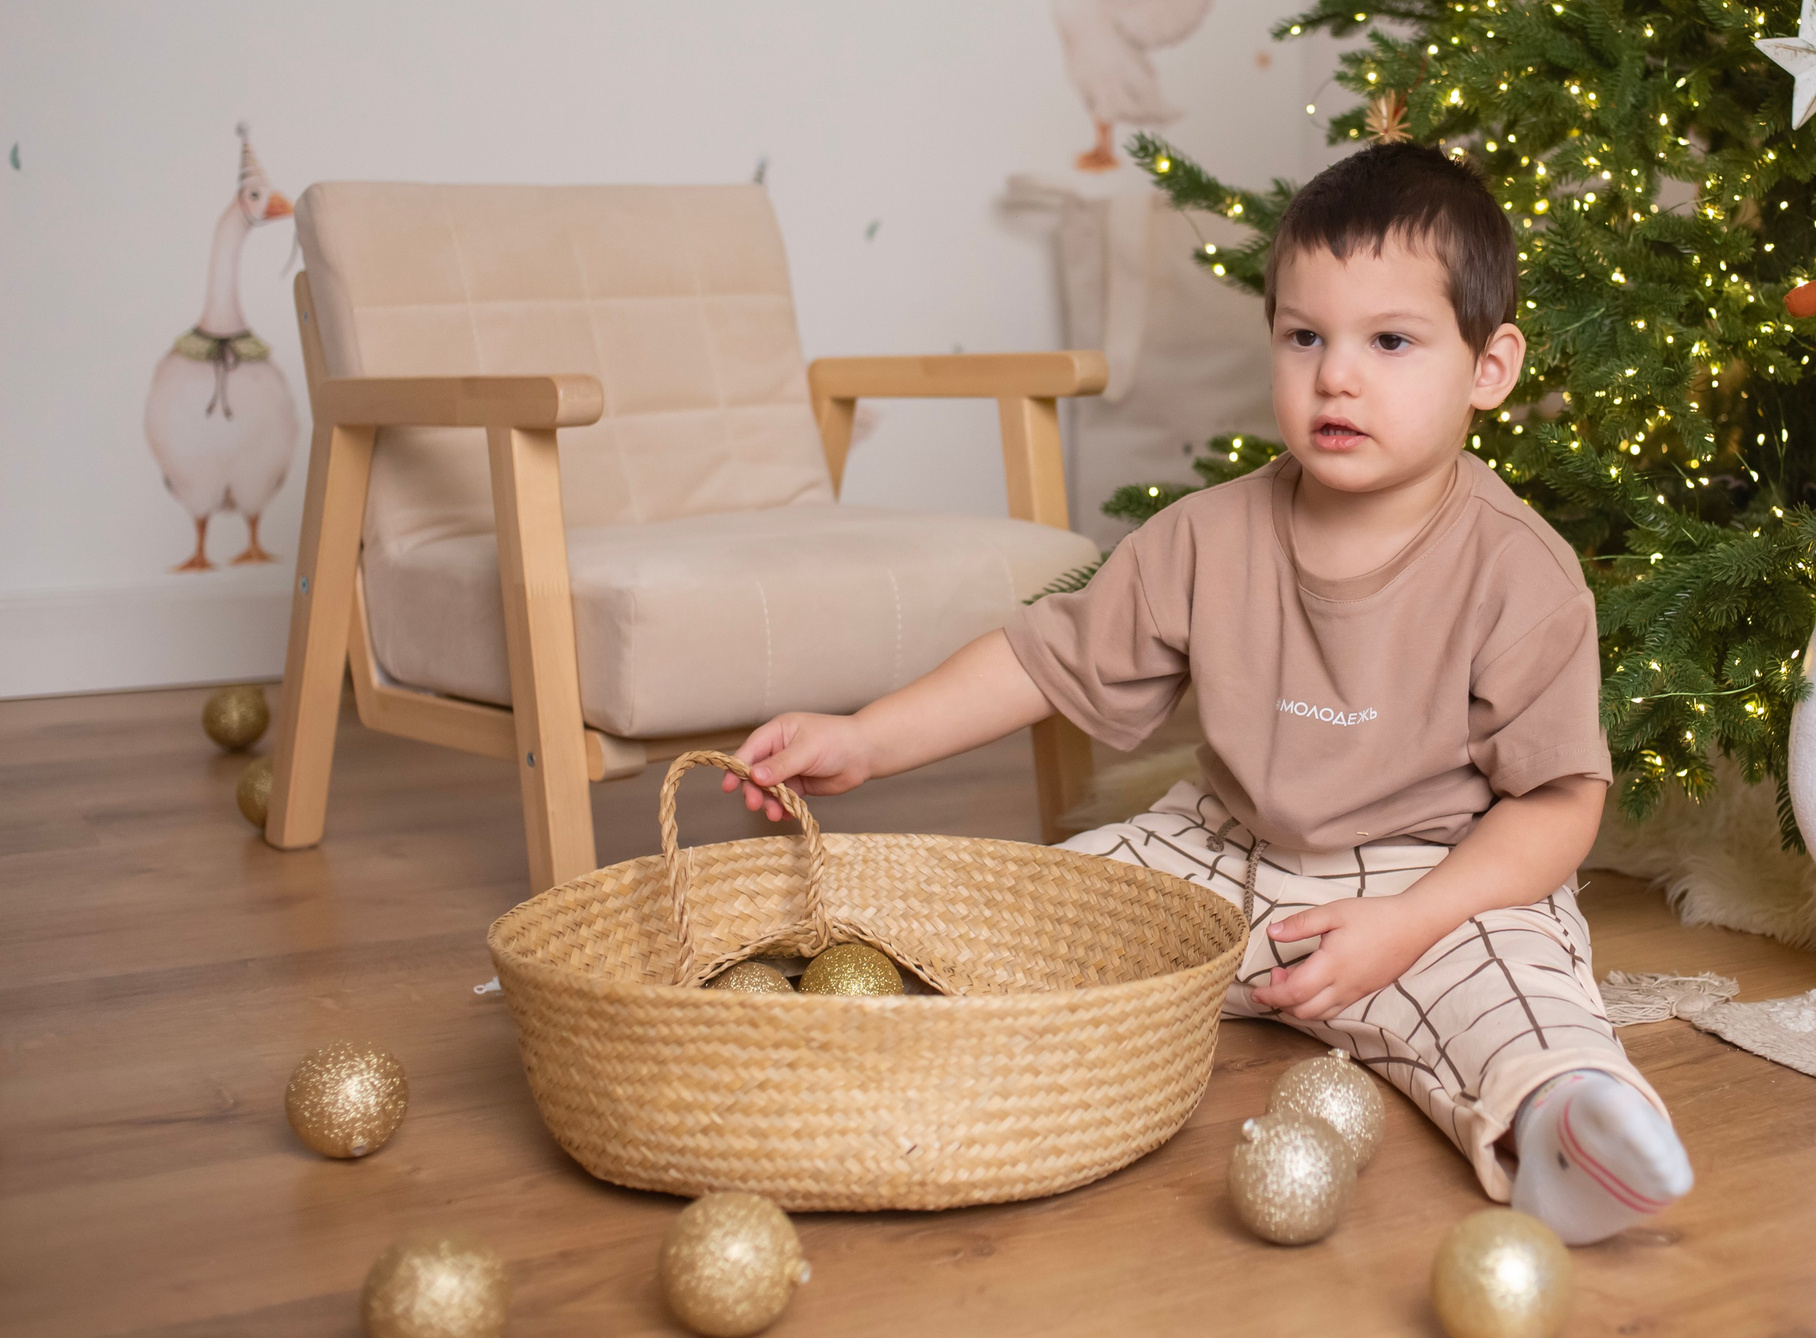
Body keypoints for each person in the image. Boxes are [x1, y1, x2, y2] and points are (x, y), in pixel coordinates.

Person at [723, 142, 1693, 1242]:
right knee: (1034, 908)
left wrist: (1407, 923)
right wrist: (866, 738)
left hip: (1435, 873)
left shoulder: (1519, 569)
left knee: (1515, 988)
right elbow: (1046, 658)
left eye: (1390, 341)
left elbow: (1559, 806)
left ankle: (1567, 1124)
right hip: (1221, 848)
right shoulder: (1206, 533)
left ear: (1489, 366)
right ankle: (841, 1030)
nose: (1336, 375)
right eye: (1304, 336)